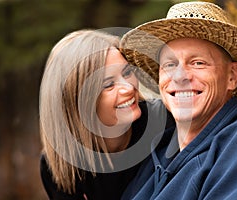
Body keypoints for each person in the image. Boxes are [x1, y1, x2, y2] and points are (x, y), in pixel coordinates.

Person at [119, 1, 237, 199]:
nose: (180, 76)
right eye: (170, 64)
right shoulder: (157, 156)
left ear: (232, 76)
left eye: (198, 63)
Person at [39, 29, 173, 200]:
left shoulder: (165, 122)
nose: (129, 87)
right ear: (78, 102)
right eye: (109, 84)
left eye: (127, 72)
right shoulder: (60, 164)